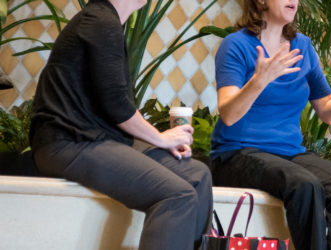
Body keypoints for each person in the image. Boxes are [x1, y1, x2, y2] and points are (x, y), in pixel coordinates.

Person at [29, 0, 213, 249]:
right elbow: (118, 107)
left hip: (95, 138)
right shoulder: (100, 21)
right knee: (176, 195)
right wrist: (162, 138)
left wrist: (159, 140)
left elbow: (112, 105)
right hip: (68, 142)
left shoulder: (108, 22)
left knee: (197, 175)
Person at [208, 0, 331, 249]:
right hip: (237, 154)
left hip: (289, 153)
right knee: (305, 184)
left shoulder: (303, 46)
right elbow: (229, 114)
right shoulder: (236, 45)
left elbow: (327, 113)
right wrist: (260, 80)